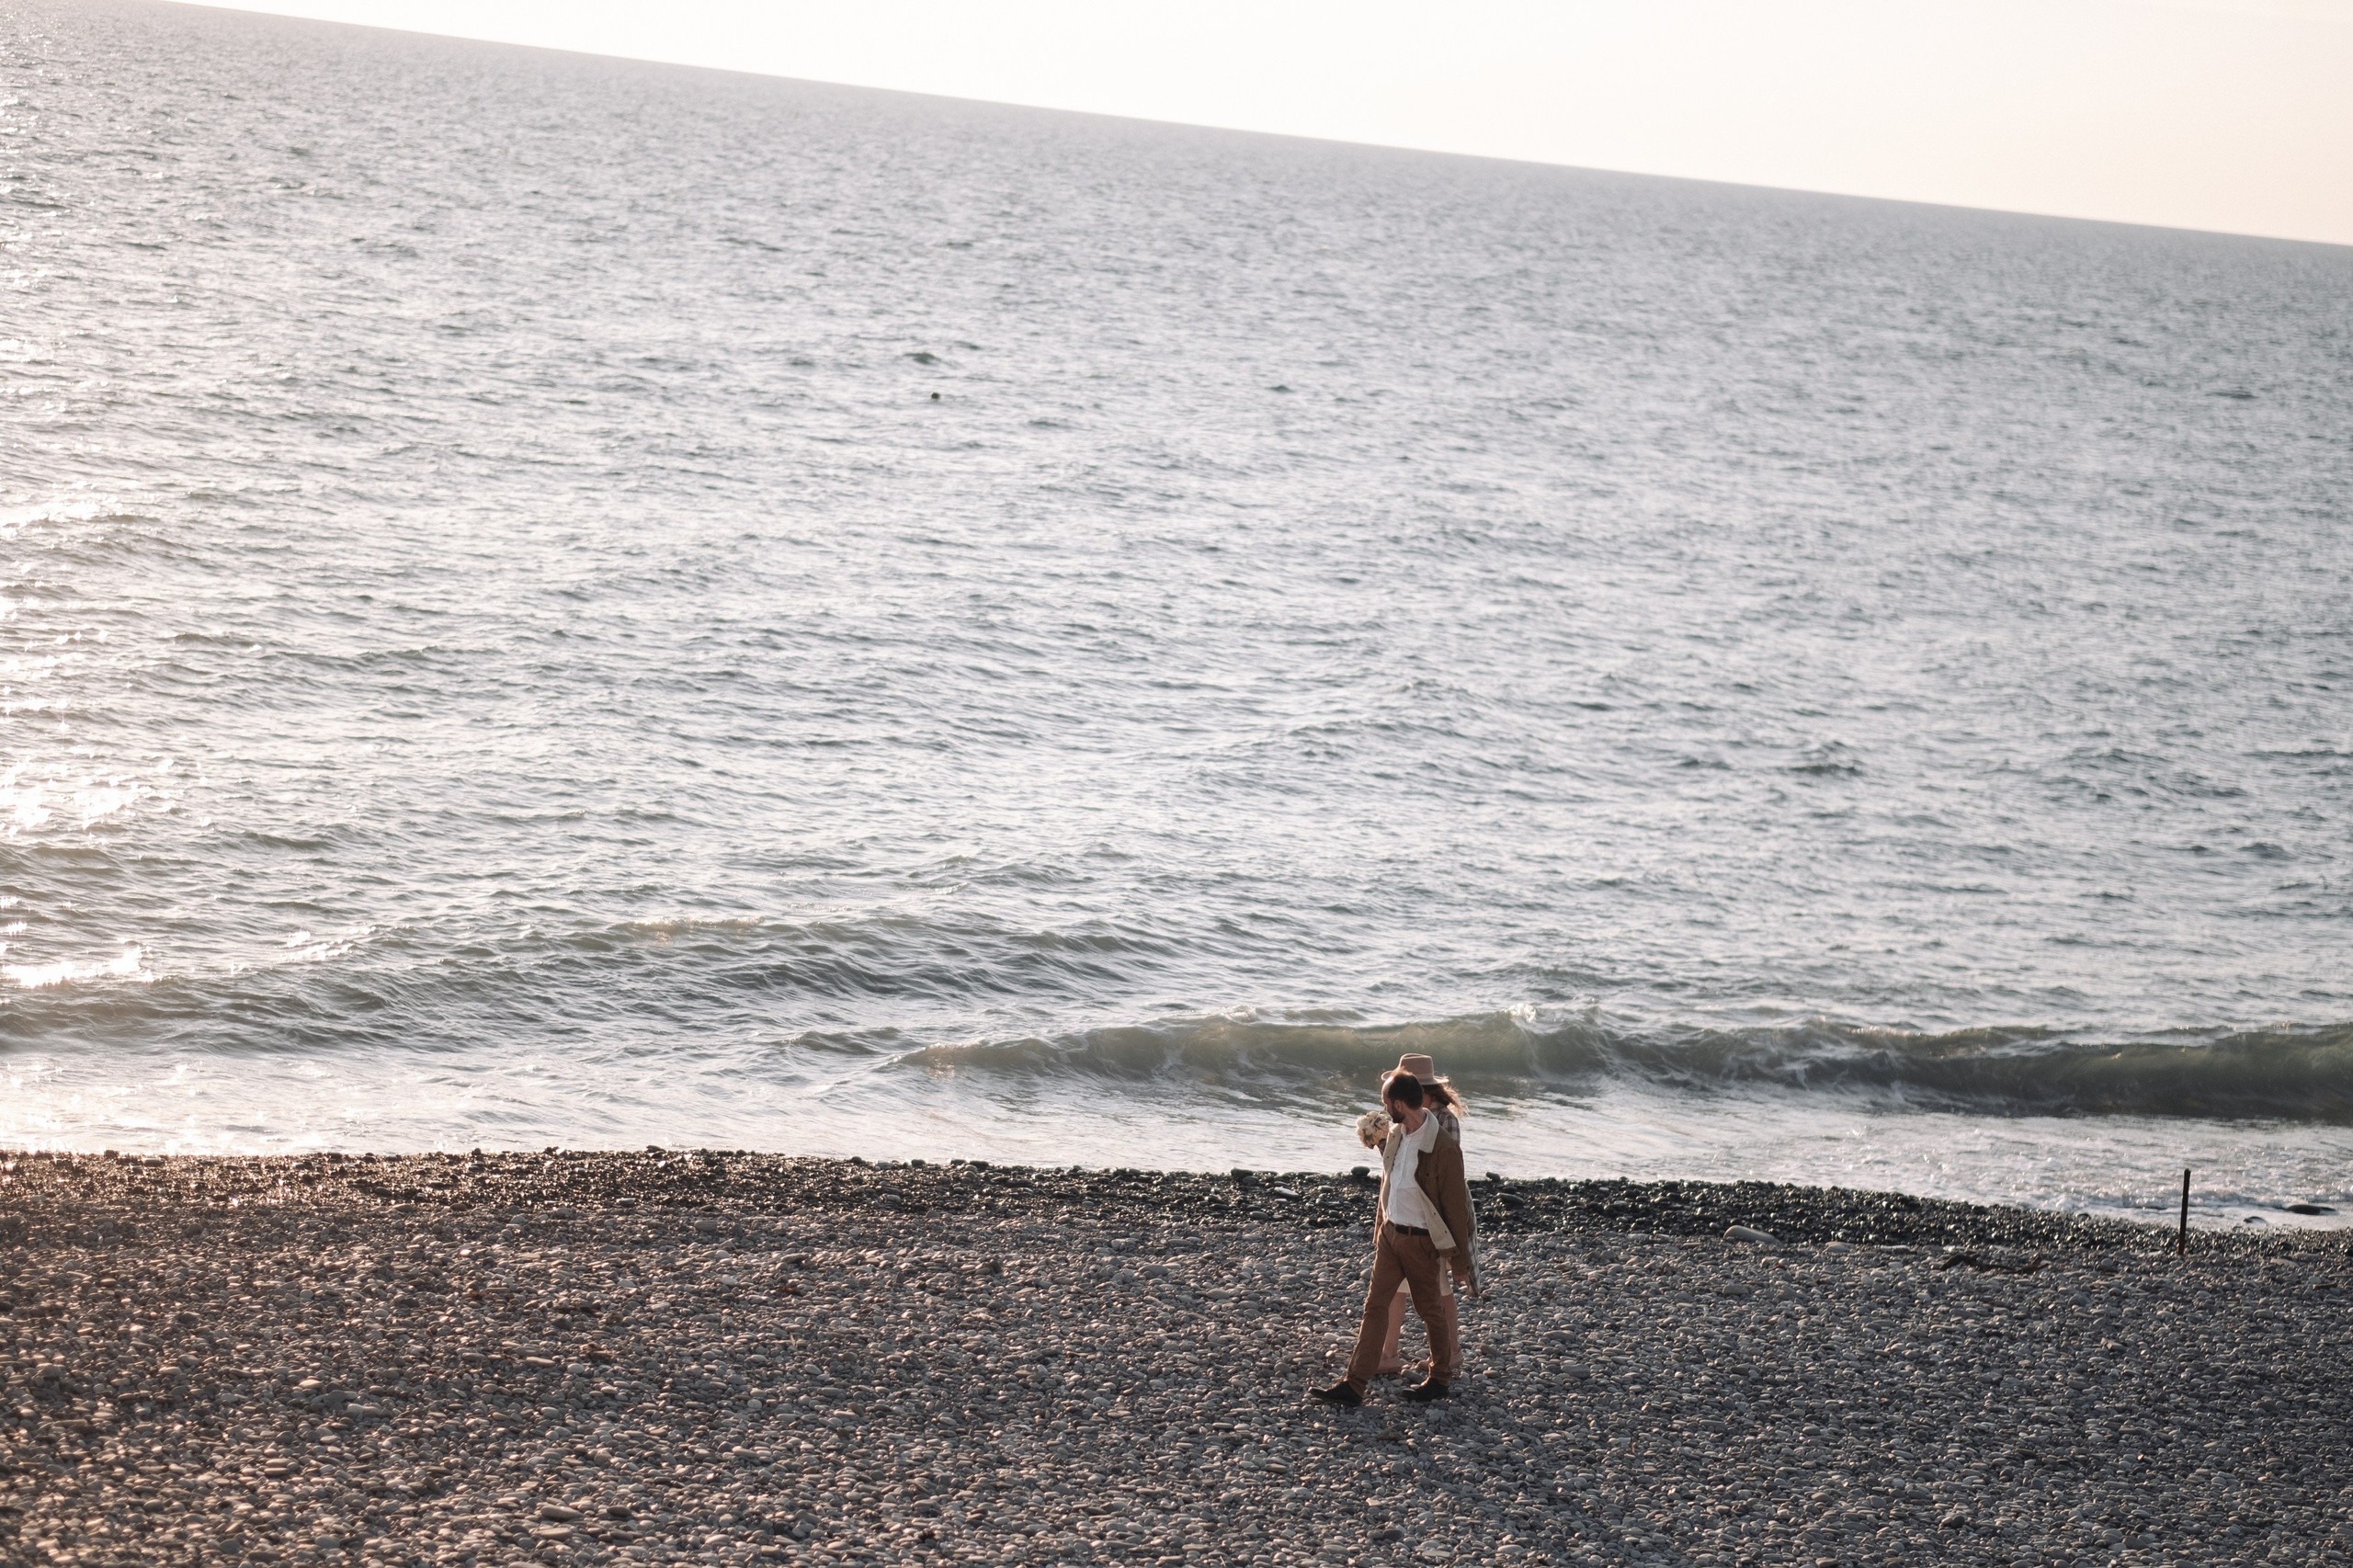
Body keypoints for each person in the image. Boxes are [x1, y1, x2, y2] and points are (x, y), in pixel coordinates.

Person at [1313, 1069, 1478, 1406]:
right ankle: (1354, 1384)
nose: (1383, 1107)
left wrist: (1460, 1262)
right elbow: (1394, 1178)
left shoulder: (1443, 1148)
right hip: (1391, 1235)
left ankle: (1440, 1378)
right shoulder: (1399, 1134)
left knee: (1430, 1311)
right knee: (1374, 1307)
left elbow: (1455, 1207)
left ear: (1399, 1103)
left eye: (1386, 1101)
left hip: (1421, 1241)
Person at [1375, 1054, 1468, 1379]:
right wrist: (1380, 1143)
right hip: (1404, 1218)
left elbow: (1443, 1172)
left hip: (1433, 1221)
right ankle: (1388, 1353)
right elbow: (1402, 1164)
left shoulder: (1443, 1120)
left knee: (1439, 1292)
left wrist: (1459, 1250)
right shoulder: (1407, 1121)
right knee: (1398, 1290)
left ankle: (1451, 1352)